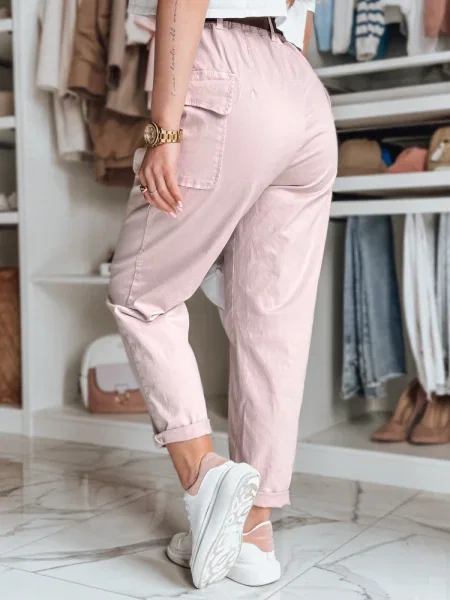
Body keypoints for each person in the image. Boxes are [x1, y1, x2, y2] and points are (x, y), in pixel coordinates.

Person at [108, 0, 337, 590]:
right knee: (271, 327)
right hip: (301, 91)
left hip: (222, 69)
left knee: (140, 293)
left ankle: (205, 480)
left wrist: (164, 129)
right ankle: (252, 536)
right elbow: (304, 21)